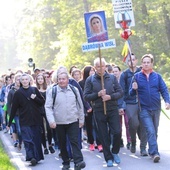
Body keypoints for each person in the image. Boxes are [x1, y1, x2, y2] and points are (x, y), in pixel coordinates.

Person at [129, 54, 170, 163]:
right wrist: (133, 89)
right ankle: (154, 153)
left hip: (156, 108)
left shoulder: (157, 76)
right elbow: (130, 94)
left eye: (148, 62)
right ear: (141, 64)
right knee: (150, 130)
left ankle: (151, 149)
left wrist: (167, 101)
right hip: (144, 109)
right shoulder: (136, 77)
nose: (146, 64)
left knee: (154, 131)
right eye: (144, 62)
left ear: (152, 64)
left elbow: (164, 90)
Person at [84, 57, 123, 167]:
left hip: (112, 109)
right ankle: (108, 158)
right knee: (103, 135)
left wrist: (109, 97)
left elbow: (120, 92)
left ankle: (115, 151)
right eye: (98, 66)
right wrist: (98, 94)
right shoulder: (90, 80)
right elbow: (86, 96)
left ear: (106, 67)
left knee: (116, 131)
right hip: (99, 110)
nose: (101, 68)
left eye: (103, 66)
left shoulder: (111, 78)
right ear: (95, 67)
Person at [45, 71, 86, 170]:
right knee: (62, 143)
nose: (61, 81)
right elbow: (48, 107)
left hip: (73, 121)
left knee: (75, 141)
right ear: (57, 80)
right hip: (59, 122)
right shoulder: (53, 91)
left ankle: (78, 162)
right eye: (60, 79)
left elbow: (80, 105)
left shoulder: (74, 90)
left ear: (68, 80)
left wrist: (81, 119)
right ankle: (65, 163)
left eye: (64, 79)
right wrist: (51, 121)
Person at [7, 73, 45, 166]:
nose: (24, 81)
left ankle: (36, 157)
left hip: (35, 119)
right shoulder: (18, 93)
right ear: (20, 81)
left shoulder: (34, 90)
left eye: (26, 79)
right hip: (24, 120)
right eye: (22, 80)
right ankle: (31, 157)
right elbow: (14, 108)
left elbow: (42, 102)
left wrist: (35, 98)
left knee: (36, 139)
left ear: (29, 80)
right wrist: (9, 123)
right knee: (28, 139)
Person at [119, 53, 148, 156]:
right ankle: (133, 143)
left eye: (133, 60)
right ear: (127, 62)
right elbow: (121, 91)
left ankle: (143, 147)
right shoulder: (124, 74)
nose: (132, 62)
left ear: (136, 61)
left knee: (143, 124)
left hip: (142, 102)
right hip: (130, 102)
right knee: (134, 123)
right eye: (129, 60)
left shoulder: (142, 72)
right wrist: (121, 105)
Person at [79, 65, 103, 152]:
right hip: (87, 107)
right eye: (91, 71)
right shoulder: (81, 83)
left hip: (97, 105)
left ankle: (100, 143)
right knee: (89, 126)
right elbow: (82, 96)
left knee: (98, 125)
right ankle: (91, 142)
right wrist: (87, 106)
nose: (92, 72)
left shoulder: (97, 80)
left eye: (93, 70)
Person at [35, 73, 55, 155]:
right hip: (39, 111)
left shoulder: (48, 89)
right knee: (41, 130)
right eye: (38, 79)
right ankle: (45, 147)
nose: (40, 80)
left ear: (44, 80)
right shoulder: (34, 90)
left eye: (41, 79)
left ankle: (50, 144)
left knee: (49, 128)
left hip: (47, 110)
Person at [112, 65, 131, 149]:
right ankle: (119, 140)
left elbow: (125, 94)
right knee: (118, 125)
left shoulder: (123, 80)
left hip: (125, 104)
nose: (115, 73)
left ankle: (129, 141)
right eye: (113, 71)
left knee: (128, 123)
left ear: (120, 72)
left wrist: (122, 106)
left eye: (116, 71)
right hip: (115, 105)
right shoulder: (110, 81)